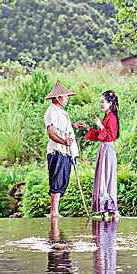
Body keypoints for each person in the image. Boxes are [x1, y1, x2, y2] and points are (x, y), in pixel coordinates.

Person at [44, 80, 83, 218]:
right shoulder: (51, 111)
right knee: (57, 178)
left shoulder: (60, 111)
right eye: (65, 96)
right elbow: (51, 133)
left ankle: (56, 211)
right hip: (58, 150)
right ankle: (53, 212)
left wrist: (74, 125)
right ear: (57, 97)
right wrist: (64, 142)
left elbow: (62, 127)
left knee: (64, 179)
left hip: (66, 150)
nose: (67, 99)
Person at [79, 90, 121, 220]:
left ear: (110, 103)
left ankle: (109, 210)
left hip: (107, 150)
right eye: (100, 102)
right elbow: (99, 136)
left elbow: (110, 137)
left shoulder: (112, 118)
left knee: (106, 177)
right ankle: (108, 211)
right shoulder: (106, 117)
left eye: (103, 102)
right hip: (103, 149)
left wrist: (100, 126)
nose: (101, 104)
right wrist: (89, 128)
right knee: (103, 176)